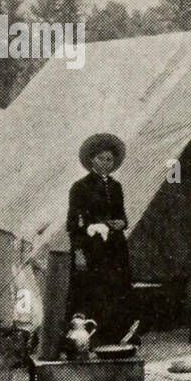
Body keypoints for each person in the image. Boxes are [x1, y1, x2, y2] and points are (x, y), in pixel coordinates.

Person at [66, 133, 136, 348]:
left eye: (110, 160)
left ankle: (117, 336)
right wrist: (78, 252)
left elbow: (123, 216)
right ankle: (92, 338)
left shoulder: (116, 187)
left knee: (117, 291)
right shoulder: (79, 187)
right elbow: (73, 224)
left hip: (115, 247)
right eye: (102, 159)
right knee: (95, 292)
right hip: (93, 249)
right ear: (91, 160)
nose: (107, 164)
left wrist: (120, 224)